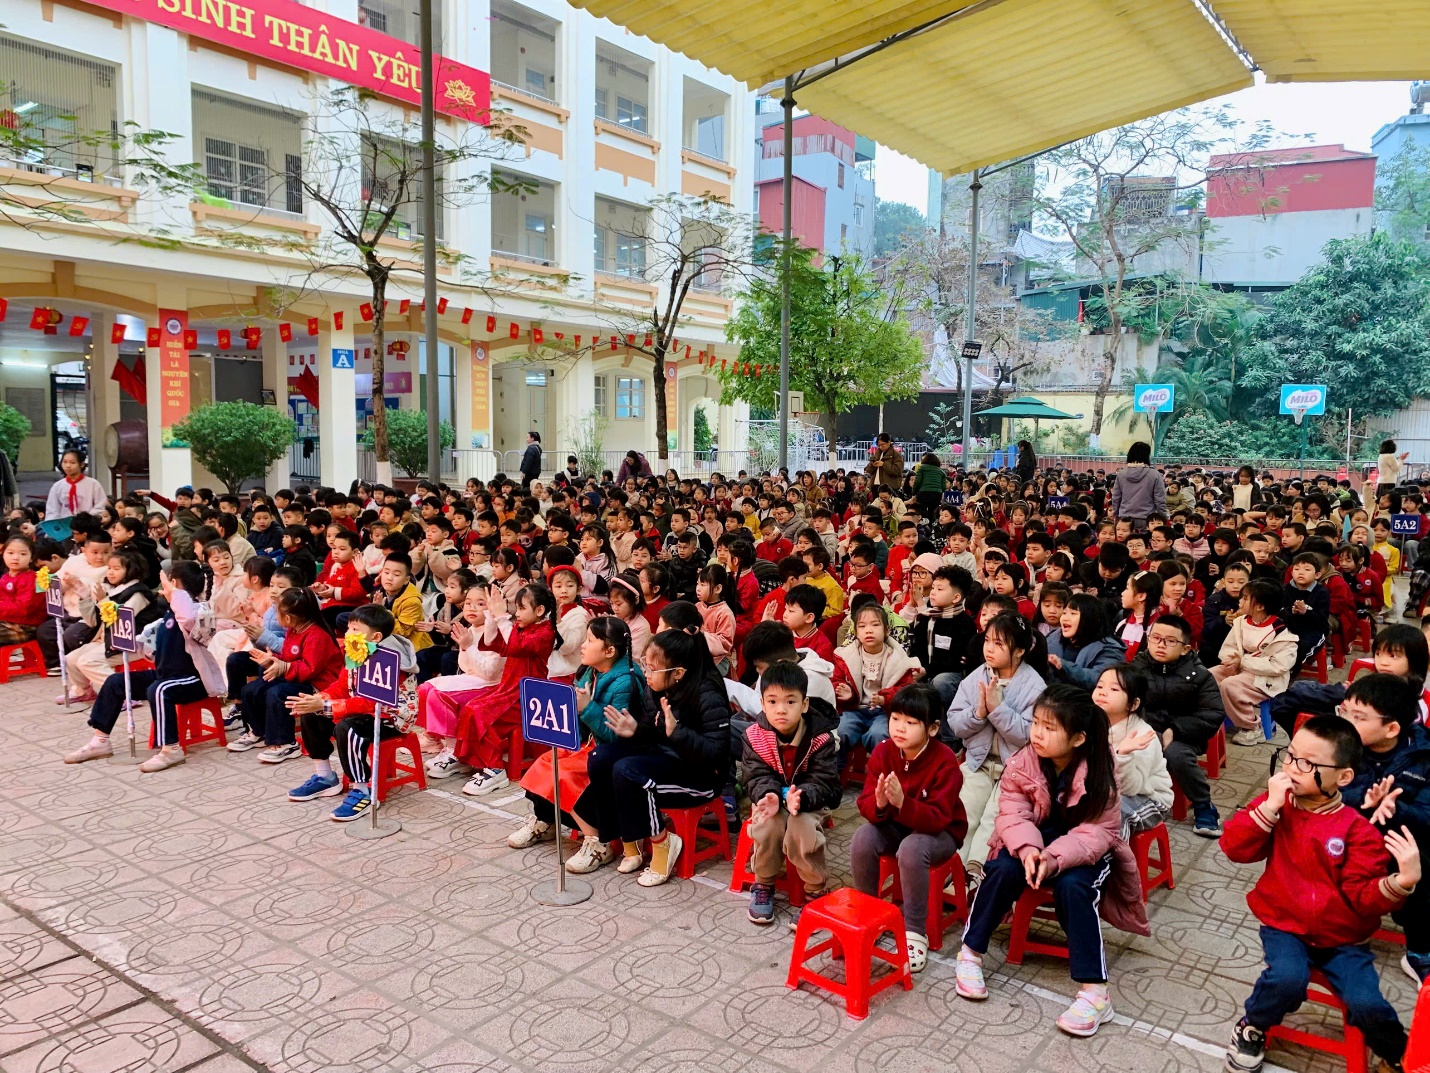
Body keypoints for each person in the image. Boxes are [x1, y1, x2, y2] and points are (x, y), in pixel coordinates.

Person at [1221, 714, 1421, 1073]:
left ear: (1343, 777)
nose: (1293, 769)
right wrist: (1268, 808)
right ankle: (1252, 1026)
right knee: (1286, 979)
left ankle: (1398, 1053)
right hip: (1284, 925)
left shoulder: (1356, 830)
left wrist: (1401, 882)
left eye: (1308, 763)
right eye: (1290, 756)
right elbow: (1235, 848)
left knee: (1367, 1003)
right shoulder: (1277, 807)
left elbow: (1364, 898)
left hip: (1344, 938)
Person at [954, 684, 1149, 1037]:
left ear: (1077, 739)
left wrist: (1053, 859)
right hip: (1034, 841)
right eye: (1036, 723)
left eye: (1049, 727)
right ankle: (970, 954)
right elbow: (1011, 813)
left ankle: (1095, 994)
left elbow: (1099, 833)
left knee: (1076, 888)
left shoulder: (1101, 769)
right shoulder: (1026, 760)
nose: (1037, 734)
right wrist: (1030, 852)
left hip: (1084, 851)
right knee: (999, 867)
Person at [577, 627, 731, 885]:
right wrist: (635, 730)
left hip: (701, 777)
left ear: (678, 673)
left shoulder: (707, 694)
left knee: (629, 772)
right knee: (601, 757)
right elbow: (653, 734)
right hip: (667, 759)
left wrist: (678, 734)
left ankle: (662, 843)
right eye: (644, 665)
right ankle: (627, 840)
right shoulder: (656, 688)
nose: (645, 674)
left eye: (651, 669)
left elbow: (716, 755)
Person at [62, 561, 226, 772]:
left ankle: (171, 748)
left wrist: (175, 590)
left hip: (193, 680)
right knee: (116, 682)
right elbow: (149, 641)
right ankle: (100, 740)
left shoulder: (200, 611)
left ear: (175, 584)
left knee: (159, 690)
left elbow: (187, 617)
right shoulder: (169, 613)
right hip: (165, 675)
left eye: (167, 583)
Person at [851, 683, 966, 970]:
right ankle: (868, 914)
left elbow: (939, 818)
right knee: (864, 837)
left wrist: (903, 804)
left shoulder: (945, 762)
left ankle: (915, 932)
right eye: (895, 719)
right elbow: (865, 802)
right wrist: (878, 804)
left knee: (912, 849)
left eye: (911, 722)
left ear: (932, 728)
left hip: (940, 833)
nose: (900, 728)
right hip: (897, 825)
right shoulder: (883, 752)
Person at [510, 616, 645, 855]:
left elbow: (615, 737)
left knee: (563, 774)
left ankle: (597, 841)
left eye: (590, 640)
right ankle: (546, 821)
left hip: (611, 753)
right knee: (545, 761)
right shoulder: (589, 671)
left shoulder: (626, 682)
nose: (583, 645)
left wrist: (586, 709)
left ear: (609, 650)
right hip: (587, 744)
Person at [1336, 673, 1430, 983]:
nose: (1346, 722)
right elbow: (1318, 789)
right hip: (1346, 834)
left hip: (1399, 838)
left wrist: (1394, 809)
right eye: (1344, 711)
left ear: (1391, 728)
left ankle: (1419, 953)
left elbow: (1427, 816)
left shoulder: (1424, 757)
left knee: (1418, 865)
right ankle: (1331, 927)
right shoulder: (1337, 744)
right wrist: (1364, 798)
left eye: (1358, 717)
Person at [285, 604, 419, 819]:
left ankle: (362, 790)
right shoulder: (357, 650)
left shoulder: (389, 661)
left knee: (347, 729)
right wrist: (319, 699)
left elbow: (370, 702)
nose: (348, 634)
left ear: (375, 636)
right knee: (311, 714)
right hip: (362, 709)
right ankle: (325, 777)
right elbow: (342, 685)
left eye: (355, 630)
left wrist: (327, 706)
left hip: (389, 717)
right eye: (348, 628)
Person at [947, 611, 1047, 880]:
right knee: (965, 809)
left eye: (999, 644)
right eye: (987, 640)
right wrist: (978, 713)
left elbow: (1030, 736)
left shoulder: (1034, 686)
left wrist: (998, 710)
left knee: (995, 817)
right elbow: (955, 723)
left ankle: (975, 872)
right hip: (978, 762)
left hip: (1015, 771)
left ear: (1020, 651)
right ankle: (951, 868)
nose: (989, 648)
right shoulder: (976, 677)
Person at [741, 660, 841, 924]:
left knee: (800, 827)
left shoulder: (821, 738)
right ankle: (763, 883)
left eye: (790, 701)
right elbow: (754, 776)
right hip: (772, 801)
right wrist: (770, 795)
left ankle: (816, 890)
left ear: (804, 704)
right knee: (768, 824)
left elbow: (827, 782)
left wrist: (802, 796)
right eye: (772, 702)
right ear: (762, 703)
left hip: (810, 802)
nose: (781, 710)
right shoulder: (754, 736)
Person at [454, 582, 558, 796]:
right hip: (507, 690)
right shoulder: (521, 627)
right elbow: (494, 643)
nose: (516, 614)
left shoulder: (545, 632)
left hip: (527, 697)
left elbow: (517, 645)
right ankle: (470, 759)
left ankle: (495, 768)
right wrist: (492, 616)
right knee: (471, 707)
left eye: (521, 608)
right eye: (516, 608)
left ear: (539, 610)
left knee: (480, 713)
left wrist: (502, 617)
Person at [1130, 615, 1227, 836]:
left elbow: (1213, 713)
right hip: (1147, 730)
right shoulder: (1136, 668)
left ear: (1185, 648)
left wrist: (1176, 729)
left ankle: (1204, 805)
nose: (1161, 645)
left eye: (1170, 641)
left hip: (1186, 735)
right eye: (1156, 638)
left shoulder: (1200, 675)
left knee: (1177, 755)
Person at [227, 587, 342, 764]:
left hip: (316, 684)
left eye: (276, 611)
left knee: (278, 693)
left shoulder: (317, 635)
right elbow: (288, 657)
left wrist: (283, 667)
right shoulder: (293, 630)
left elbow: (309, 669)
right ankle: (259, 732)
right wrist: (271, 660)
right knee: (252, 689)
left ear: (287, 618)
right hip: (296, 677)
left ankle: (286, 743)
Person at [1213, 578, 1298, 747]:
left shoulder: (1281, 631)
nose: (1240, 601)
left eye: (1245, 598)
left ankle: (1251, 726)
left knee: (1229, 685)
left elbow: (1279, 666)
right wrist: (1232, 660)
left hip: (1267, 677)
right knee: (1208, 676)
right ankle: (1214, 716)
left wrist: (1243, 662)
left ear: (1260, 606)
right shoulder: (1241, 622)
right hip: (1241, 668)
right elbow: (1228, 648)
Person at [1092, 665, 1173, 836]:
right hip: (1106, 791)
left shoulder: (1144, 736)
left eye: (1114, 689)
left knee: (1114, 814)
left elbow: (1131, 788)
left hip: (1148, 798)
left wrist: (1123, 756)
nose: (1103, 692)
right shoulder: (1090, 723)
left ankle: (1115, 861)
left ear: (1133, 703)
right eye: (1100, 686)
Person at [833, 601, 921, 758]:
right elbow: (836, 681)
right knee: (841, 732)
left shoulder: (898, 659)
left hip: (884, 712)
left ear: (886, 630)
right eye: (862, 626)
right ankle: (834, 775)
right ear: (856, 632)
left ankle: (879, 773)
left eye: (875, 625)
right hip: (855, 709)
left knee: (879, 735)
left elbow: (905, 690)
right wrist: (847, 695)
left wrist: (884, 698)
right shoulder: (846, 656)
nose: (869, 631)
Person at [1046, 593, 1124, 692]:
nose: (1065, 618)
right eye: (1064, 613)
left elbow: (1099, 679)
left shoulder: (1109, 649)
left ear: (1090, 618)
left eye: (1073, 613)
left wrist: (1064, 666)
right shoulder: (1052, 638)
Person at [0, 533, 45, 645]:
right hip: (7, 622)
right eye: (10, 553)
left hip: (25, 627)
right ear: (3, 554)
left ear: (31, 558)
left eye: (23, 554)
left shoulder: (31, 579)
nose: (15, 557)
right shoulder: (5, 577)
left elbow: (23, 609)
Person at [1110, 442, 1165, 527]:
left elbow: (1116, 498)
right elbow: (1160, 500)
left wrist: (1116, 515)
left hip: (1124, 519)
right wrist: (1164, 518)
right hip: (1147, 520)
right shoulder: (1154, 474)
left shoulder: (1121, 474)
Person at [45, 450, 107, 522]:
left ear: (81, 464)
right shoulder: (57, 486)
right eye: (64, 462)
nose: (68, 466)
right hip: (64, 527)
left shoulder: (93, 484)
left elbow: (100, 506)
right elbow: (52, 510)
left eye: (72, 463)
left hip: (88, 524)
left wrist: (86, 519)